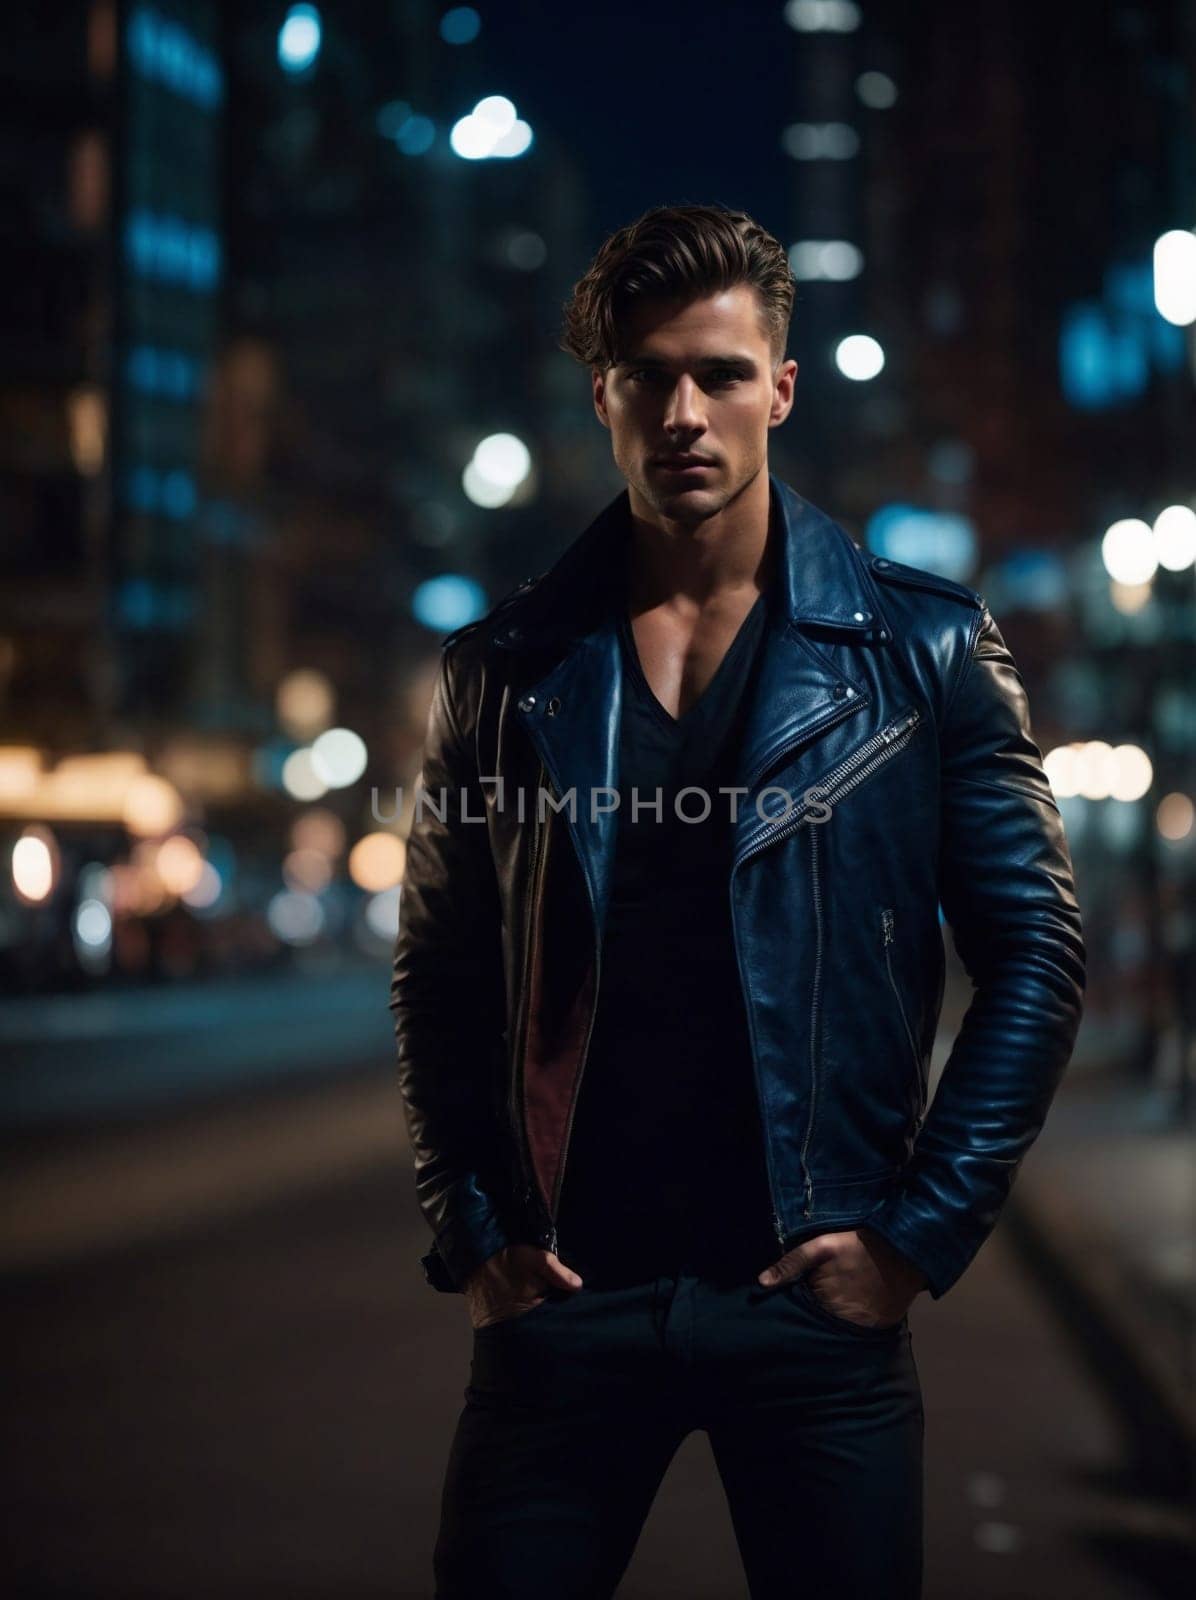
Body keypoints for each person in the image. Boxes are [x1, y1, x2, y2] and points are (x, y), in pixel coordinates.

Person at [390, 203, 1086, 1599]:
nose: (684, 413)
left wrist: (916, 1238)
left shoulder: (926, 650)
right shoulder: (507, 668)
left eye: (718, 373)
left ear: (780, 386)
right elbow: (443, 970)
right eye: (648, 376)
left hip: (813, 1301)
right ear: (602, 396)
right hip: (567, 1302)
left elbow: (1033, 957)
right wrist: (472, 1231)